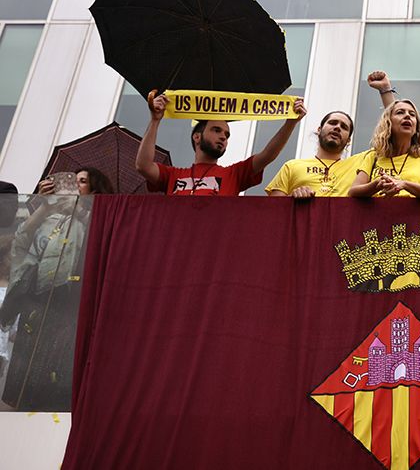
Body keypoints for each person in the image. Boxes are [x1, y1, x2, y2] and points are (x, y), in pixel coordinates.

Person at [0, 167, 113, 411]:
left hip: (68, 308)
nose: (75, 186)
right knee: (20, 384)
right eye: (72, 181)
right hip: (37, 303)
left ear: (95, 191)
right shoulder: (52, 217)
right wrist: (44, 204)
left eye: (82, 182)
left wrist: (80, 212)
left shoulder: (98, 222)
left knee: (53, 377)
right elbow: (21, 240)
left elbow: (104, 246)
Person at [136, 91, 306, 196]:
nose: (224, 137)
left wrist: (290, 123)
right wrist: (155, 120)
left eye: (227, 134)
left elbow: (267, 155)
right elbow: (143, 166)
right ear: (197, 137)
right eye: (216, 130)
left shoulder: (234, 174)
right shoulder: (173, 175)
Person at [265, 71, 397, 197]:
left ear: (349, 140)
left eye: (344, 127)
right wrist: (293, 197)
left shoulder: (361, 163)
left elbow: (396, 134)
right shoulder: (292, 167)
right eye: (333, 123)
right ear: (319, 129)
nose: (337, 127)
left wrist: (385, 89)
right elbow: (274, 210)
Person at [349, 99, 420, 198]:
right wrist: (377, 184)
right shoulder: (374, 156)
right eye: (400, 112)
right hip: (377, 213)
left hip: (414, 213)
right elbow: (353, 192)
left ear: (416, 128)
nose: (407, 116)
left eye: (412, 114)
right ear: (388, 122)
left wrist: (404, 184)